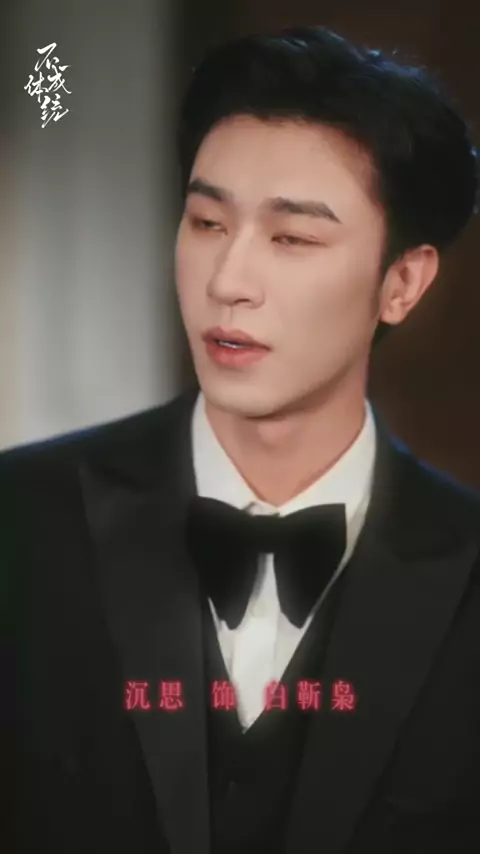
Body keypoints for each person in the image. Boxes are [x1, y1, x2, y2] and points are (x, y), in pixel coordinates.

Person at [4, 24, 480, 854]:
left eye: (292, 238)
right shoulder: (20, 519)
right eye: (206, 222)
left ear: (402, 282)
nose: (227, 281)